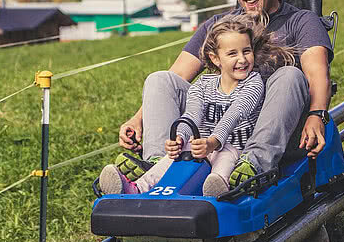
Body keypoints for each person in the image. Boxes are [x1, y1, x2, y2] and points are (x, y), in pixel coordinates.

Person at [116, 0, 333, 187]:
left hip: (275, 128)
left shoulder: (301, 21)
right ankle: (157, 165)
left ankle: (253, 165)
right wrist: (138, 119)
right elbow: (178, 74)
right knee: (160, 79)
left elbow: (317, 73)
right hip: (218, 130)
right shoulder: (220, 26)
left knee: (290, 75)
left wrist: (317, 115)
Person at [99, 14, 296, 197]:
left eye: (246, 51)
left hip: (234, 149)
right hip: (201, 147)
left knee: (225, 157)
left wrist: (212, 143)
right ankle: (136, 188)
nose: (242, 59)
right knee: (172, 158)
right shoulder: (203, 85)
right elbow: (192, 115)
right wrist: (178, 138)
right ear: (215, 58)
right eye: (232, 54)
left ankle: (219, 188)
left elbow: (234, 114)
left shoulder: (253, 83)